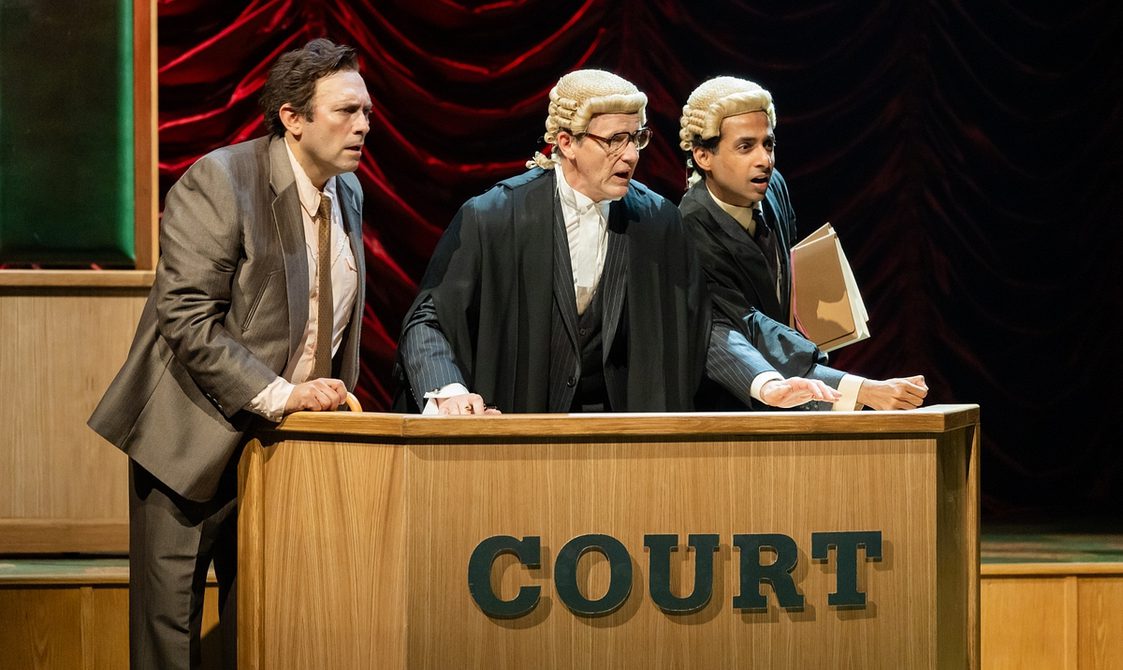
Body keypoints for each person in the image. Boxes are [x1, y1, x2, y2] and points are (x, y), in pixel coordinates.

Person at [88, 38, 370, 669]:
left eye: (367, 113)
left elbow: (325, 315)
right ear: (293, 118)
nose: (362, 127)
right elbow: (186, 316)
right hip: (190, 436)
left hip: (283, 447)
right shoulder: (221, 181)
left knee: (270, 620)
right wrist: (280, 393)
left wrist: (320, 400)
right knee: (171, 638)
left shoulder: (347, 192)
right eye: (345, 112)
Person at [397, 69, 840, 416]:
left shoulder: (657, 222)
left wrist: (764, 382)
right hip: (520, 429)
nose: (630, 155)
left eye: (637, 138)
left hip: (622, 439)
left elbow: (701, 329)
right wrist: (449, 392)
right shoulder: (495, 216)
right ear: (566, 143)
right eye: (614, 140)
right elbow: (430, 318)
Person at [678, 76, 928, 410]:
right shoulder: (691, 226)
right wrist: (859, 389)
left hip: (793, 386)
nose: (764, 160)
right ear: (703, 156)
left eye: (768, 144)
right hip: (734, 399)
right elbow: (745, 328)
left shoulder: (773, 187)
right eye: (745, 146)